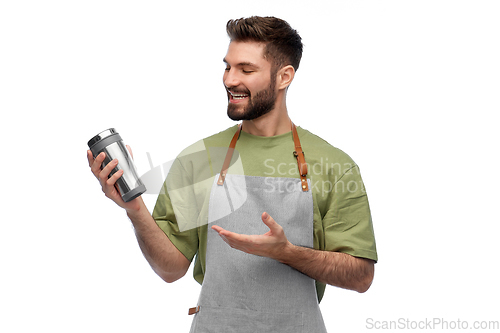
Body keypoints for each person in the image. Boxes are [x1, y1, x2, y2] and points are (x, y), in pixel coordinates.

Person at [88, 16, 377, 333]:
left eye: (246, 69)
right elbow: (170, 269)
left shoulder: (334, 164)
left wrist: (288, 253)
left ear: (284, 77)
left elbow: (361, 277)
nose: (230, 79)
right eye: (228, 67)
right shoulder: (198, 160)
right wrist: (134, 208)